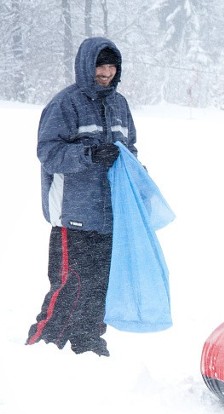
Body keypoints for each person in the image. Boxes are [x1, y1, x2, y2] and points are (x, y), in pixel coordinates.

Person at [26, 37, 138, 357]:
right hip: (73, 213)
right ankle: (43, 345)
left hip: (109, 215)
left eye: (111, 65)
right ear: (86, 66)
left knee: (100, 285)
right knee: (70, 283)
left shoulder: (120, 105)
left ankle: (87, 341)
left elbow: (129, 150)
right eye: (100, 65)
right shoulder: (65, 104)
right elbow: (48, 153)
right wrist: (89, 154)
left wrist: (137, 179)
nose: (105, 72)